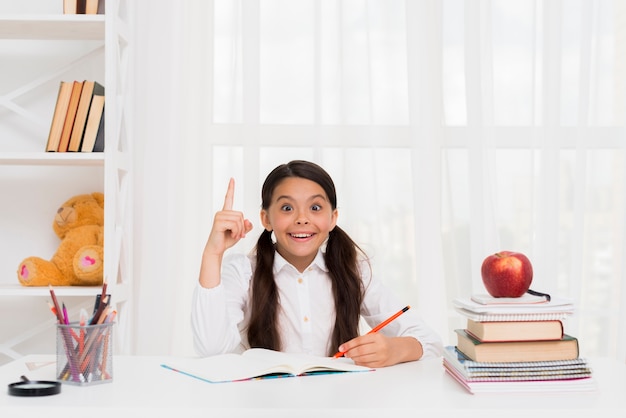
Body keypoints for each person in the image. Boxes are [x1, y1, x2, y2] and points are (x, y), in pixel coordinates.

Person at [191, 160, 443, 367]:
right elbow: (211, 350)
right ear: (265, 219)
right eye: (287, 207)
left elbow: (430, 342)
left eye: (315, 207)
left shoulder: (353, 272)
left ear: (333, 218)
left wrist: (394, 349)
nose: (302, 219)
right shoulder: (243, 271)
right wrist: (212, 254)